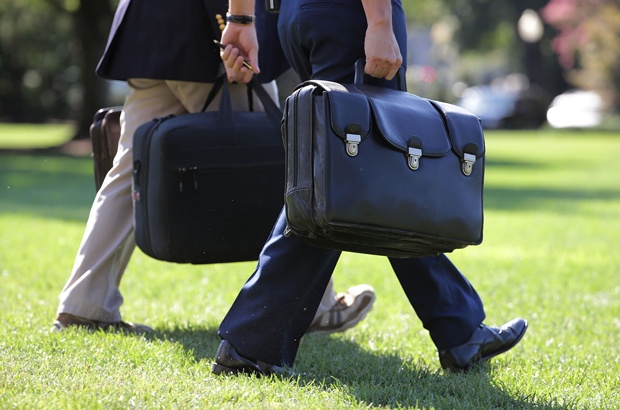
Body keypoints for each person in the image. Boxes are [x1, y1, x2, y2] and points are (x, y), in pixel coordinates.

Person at [211, 0, 528, 374]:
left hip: (297, 15)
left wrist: (241, 17)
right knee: (336, 182)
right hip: (352, 16)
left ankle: (459, 330)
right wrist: (379, 21)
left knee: (368, 175)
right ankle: (251, 342)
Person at [50, 0, 375, 335]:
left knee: (132, 167)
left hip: (149, 26)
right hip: (214, 27)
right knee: (277, 162)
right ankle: (313, 306)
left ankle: (83, 306)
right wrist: (237, 23)